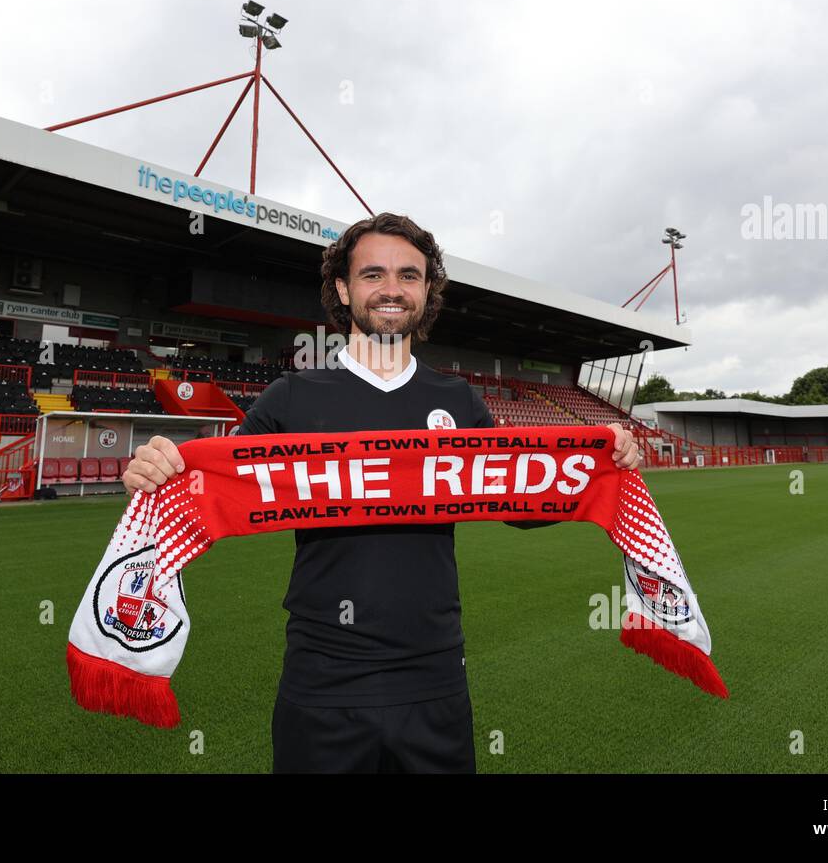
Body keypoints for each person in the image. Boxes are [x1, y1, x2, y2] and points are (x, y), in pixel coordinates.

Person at [122, 212, 641, 773]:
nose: (391, 289)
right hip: (322, 681)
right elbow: (216, 490)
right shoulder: (292, 398)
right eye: (373, 274)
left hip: (435, 676)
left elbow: (520, 497)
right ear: (344, 289)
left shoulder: (459, 400)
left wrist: (597, 463)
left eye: (409, 276)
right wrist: (159, 472)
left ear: (426, 291)